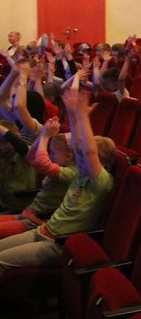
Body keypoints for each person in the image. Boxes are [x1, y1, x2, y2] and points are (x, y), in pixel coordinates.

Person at [0, 75, 116, 277]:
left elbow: (87, 152)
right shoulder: (80, 173)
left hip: (57, 243)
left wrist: (83, 116)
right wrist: (72, 114)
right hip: (43, 231)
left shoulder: (100, 180)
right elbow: (81, 149)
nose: (80, 157)